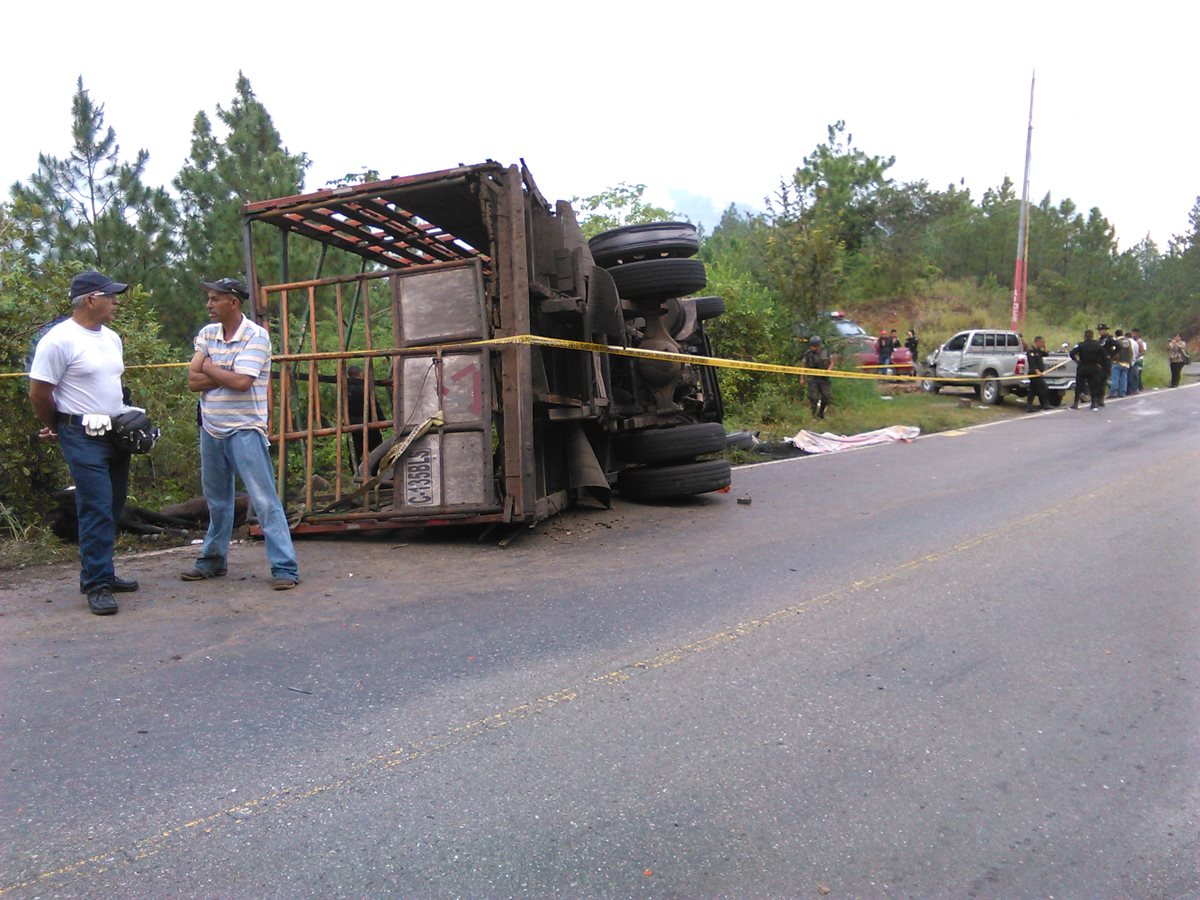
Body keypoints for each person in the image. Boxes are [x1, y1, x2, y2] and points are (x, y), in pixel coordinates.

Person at [27, 271, 138, 615]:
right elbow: (39, 392)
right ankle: (97, 584)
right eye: (111, 296)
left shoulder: (112, 338)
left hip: (115, 432)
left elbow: (111, 384)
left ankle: (99, 570)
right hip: (81, 435)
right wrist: (55, 426)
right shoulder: (58, 341)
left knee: (115, 503)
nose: (116, 301)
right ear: (91, 299)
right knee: (96, 505)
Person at [184, 278, 300, 590]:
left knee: (264, 499)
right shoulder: (208, 333)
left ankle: (284, 567)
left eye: (215, 299)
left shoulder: (256, 336)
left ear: (233, 302)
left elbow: (242, 383)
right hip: (211, 426)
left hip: (245, 428)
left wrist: (210, 369)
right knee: (217, 500)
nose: (209, 304)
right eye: (209, 299)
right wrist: (223, 372)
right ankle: (212, 559)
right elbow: (192, 381)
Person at [345, 364, 383, 472]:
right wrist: (381, 419)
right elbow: (375, 405)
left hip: (352, 425)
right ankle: (377, 473)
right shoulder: (365, 387)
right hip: (369, 423)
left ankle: (356, 475)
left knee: (355, 453)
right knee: (377, 450)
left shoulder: (345, 388)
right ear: (360, 374)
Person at [1069, 329, 1107, 411]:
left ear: (1085, 336)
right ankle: (1094, 403)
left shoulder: (1081, 345)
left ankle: (1075, 403)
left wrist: (1077, 360)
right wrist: (1100, 364)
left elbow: (1071, 353)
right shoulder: (1097, 345)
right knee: (1094, 386)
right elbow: (1105, 355)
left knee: (1079, 385)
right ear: (1092, 336)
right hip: (1094, 367)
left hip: (1083, 366)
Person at [802, 335, 832, 419]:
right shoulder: (808, 353)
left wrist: (829, 370)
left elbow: (832, 362)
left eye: (814, 346)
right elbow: (803, 365)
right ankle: (813, 415)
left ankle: (821, 413)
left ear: (819, 345)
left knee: (826, 397)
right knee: (814, 398)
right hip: (813, 378)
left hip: (824, 379)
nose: (813, 348)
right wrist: (802, 377)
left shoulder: (825, 352)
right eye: (812, 346)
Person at [1023, 336, 1051, 412]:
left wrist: (1044, 347)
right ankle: (1045, 404)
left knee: (1032, 391)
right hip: (1034, 374)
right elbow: (1032, 363)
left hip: (1038, 374)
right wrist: (1037, 371)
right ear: (1037, 342)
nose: (1043, 344)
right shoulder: (1031, 352)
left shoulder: (1038, 351)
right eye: (1042, 342)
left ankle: (1029, 407)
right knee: (1044, 388)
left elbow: (1046, 354)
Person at [1108, 329, 1132, 398]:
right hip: (1126, 362)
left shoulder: (1117, 342)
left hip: (1118, 362)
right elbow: (1131, 352)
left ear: (1116, 335)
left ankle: (1113, 393)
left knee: (1115, 378)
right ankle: (1122, 393)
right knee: (1124, 378)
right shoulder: (1128, 341)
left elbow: (1114, 351)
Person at [1127, 329, 1145, 394]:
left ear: (1137, 334)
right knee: (1132, 375)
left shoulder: (1139, 341)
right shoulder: (1133, 341)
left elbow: (1143, 352)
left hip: (1137, 360)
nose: (1133, 335)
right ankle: (1135, 388)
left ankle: (1136, 388)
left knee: (1136, 375)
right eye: (1132, 334)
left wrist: (1136, 356)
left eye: (1134, 334)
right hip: (1133, 360)